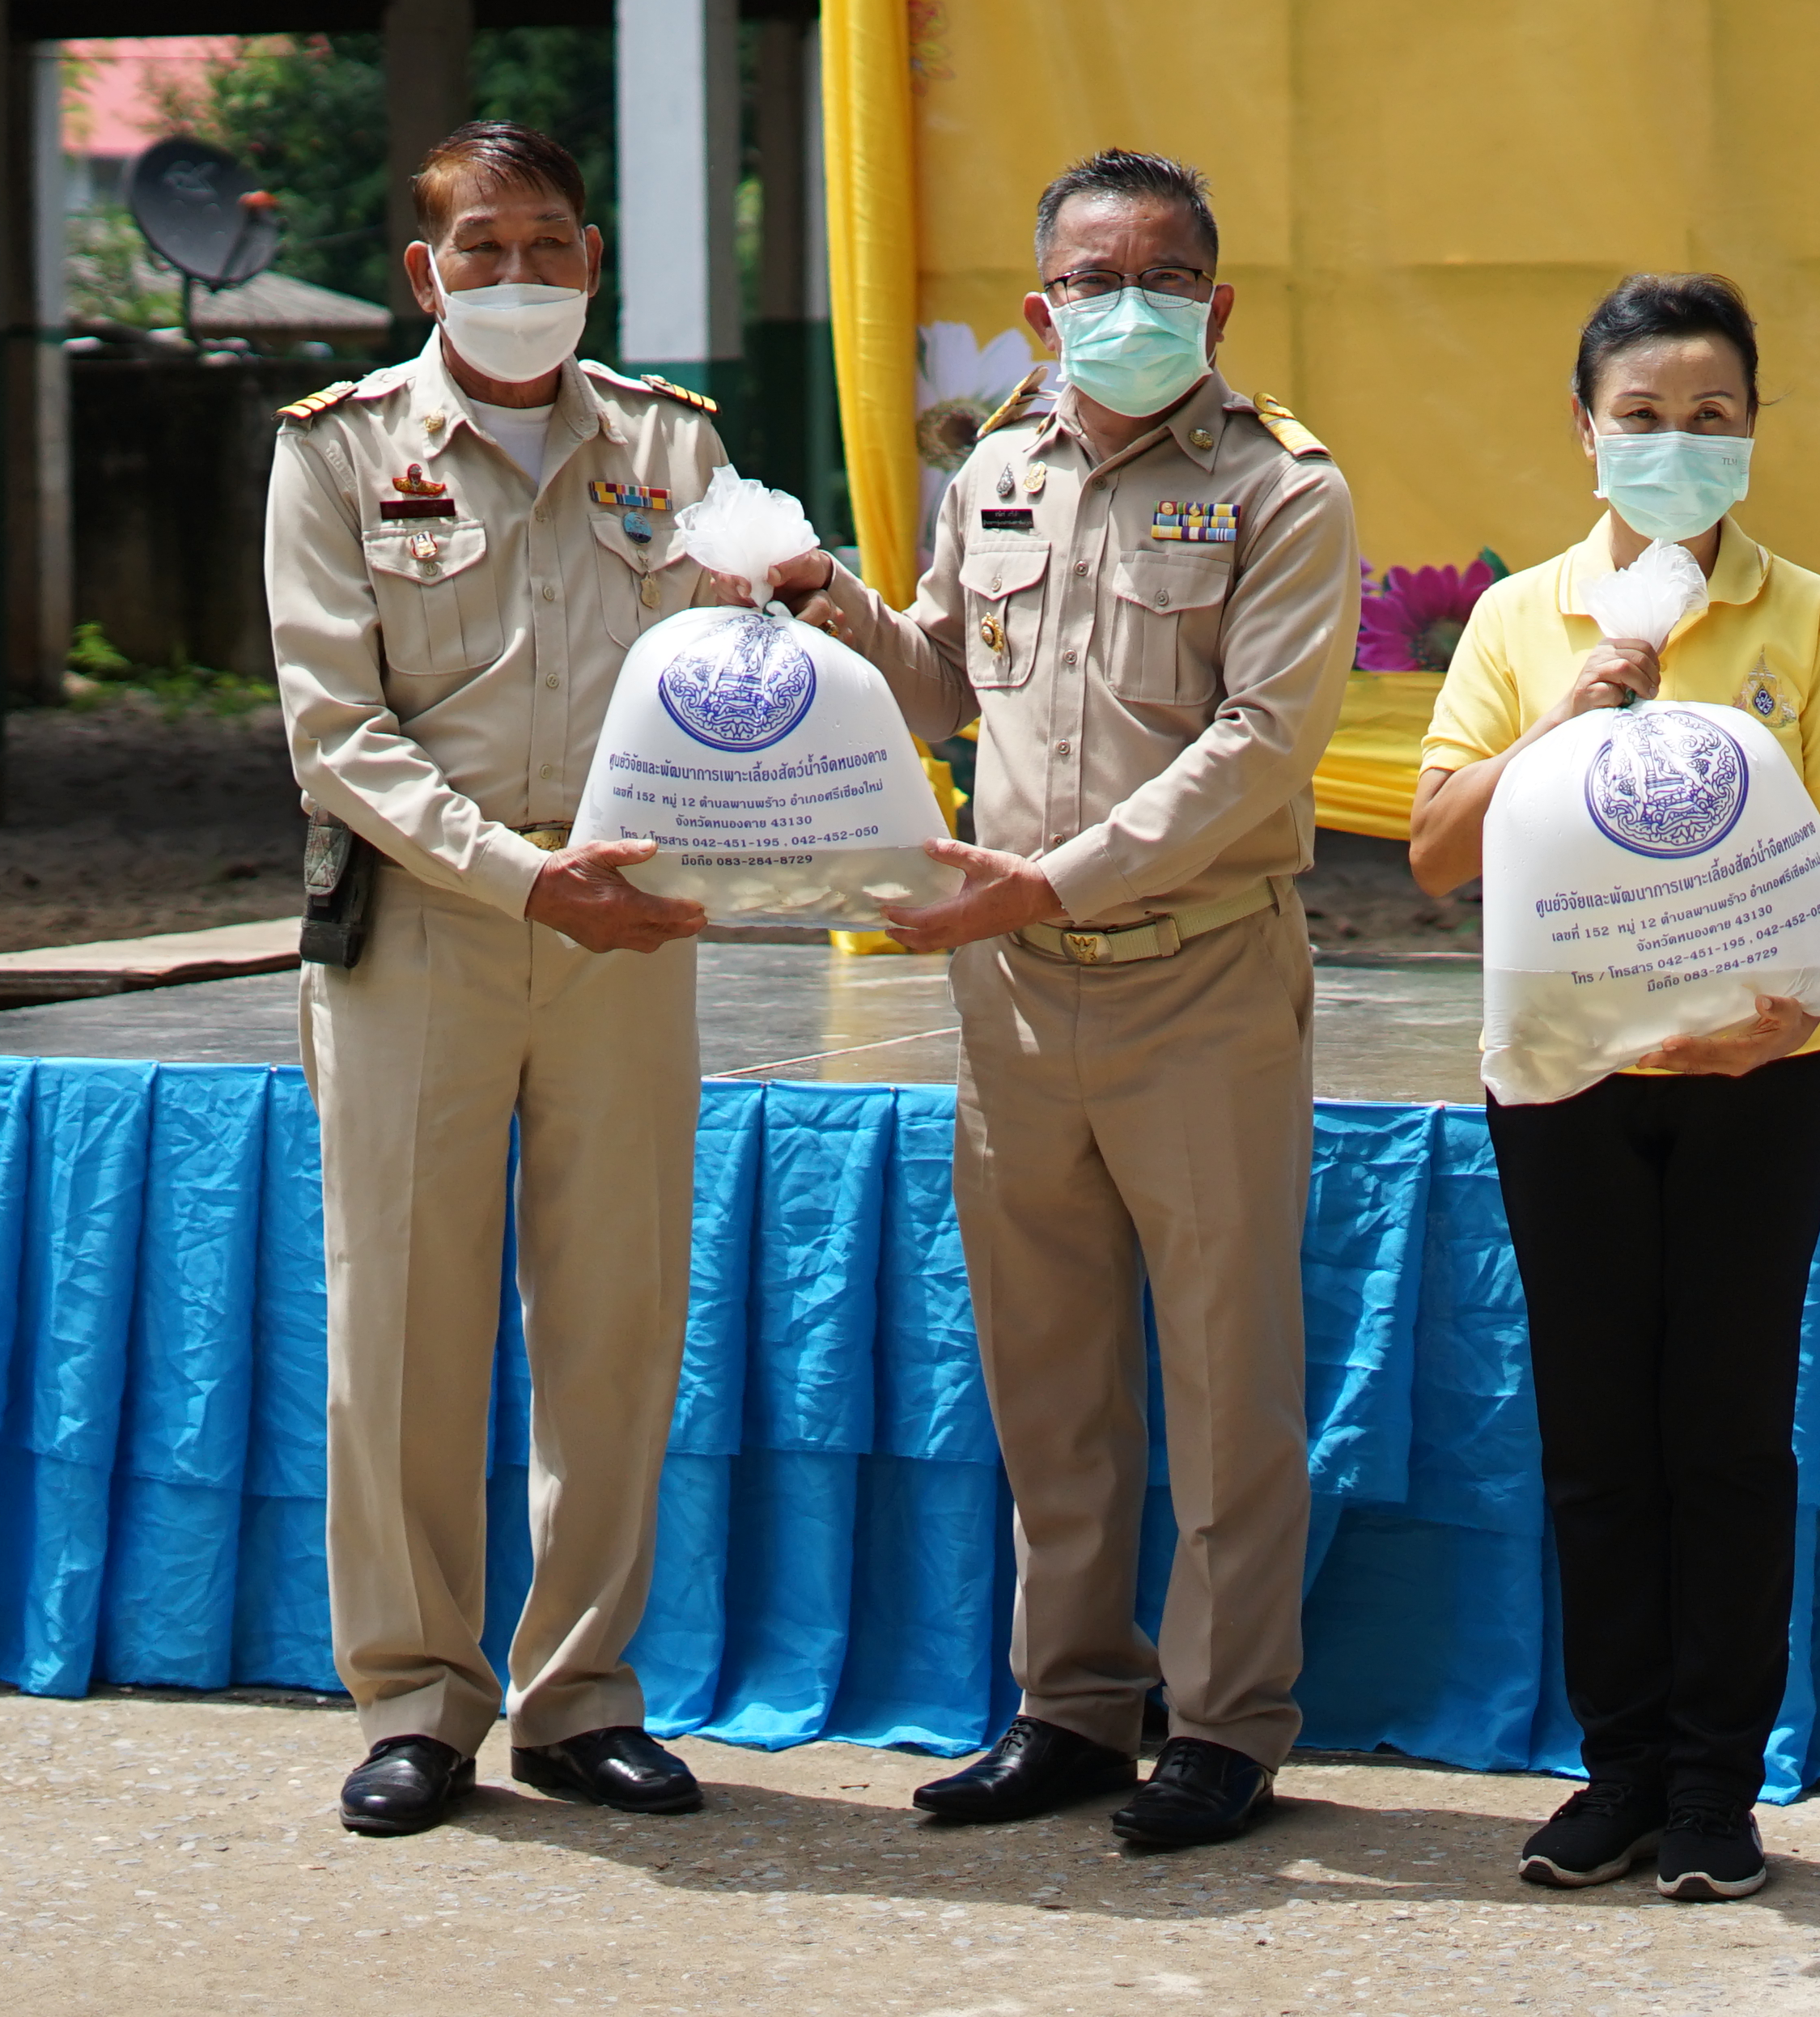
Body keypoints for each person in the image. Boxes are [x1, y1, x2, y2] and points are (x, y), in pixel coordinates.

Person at [772, 147, 1360, 1853]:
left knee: (1228, 1372)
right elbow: (949, 675)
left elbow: (1263, 749)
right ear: (1038, 310)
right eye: (1092, 283)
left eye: (1161, 278)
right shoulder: (998, 470)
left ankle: (1229, 1721)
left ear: (1218, 303)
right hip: (1014, 992)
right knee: (1049, 1370)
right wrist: (835, 610)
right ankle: (1075, 1704)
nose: (1125, 309)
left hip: (1203, 975)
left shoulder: (1283, 487)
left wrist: (1052, 877)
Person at [1402, 273, 1820, 1904]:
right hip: (1564, 1081)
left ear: (1753, 432)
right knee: (1599, 1427)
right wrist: (1551, 722)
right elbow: (1434, 857)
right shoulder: (1518, 615)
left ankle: (1713, 1786)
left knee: (1729, 1430)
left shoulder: (1807, 617)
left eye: (1712, 418)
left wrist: (1777, 1019)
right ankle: (1615, 1769)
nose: (1678, 444)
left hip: (1762, 1084)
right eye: (1644, 416)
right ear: (1583, 426)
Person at [264, 121, 731, 1838]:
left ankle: (582, 1694)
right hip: (427, 928)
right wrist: (525, 873)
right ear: (423, 269)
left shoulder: (675, 444)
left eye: (548, 245)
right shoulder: (336, 454)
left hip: (631, 924)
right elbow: (338, 732)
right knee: (401, 1322)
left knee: (612, 1317)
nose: (518, 277)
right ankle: (413, 1695)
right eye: (483, 247)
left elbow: (728, 665)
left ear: (592, 260)